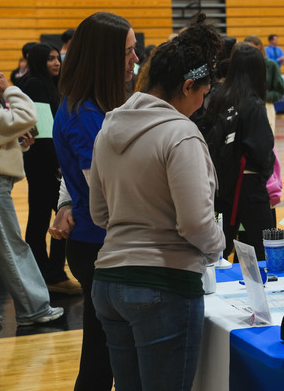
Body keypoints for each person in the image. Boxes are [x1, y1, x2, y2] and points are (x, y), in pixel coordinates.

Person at [88, 23, 225, 391]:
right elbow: (196, 223)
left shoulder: (108, 128)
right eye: (204, 93)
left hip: (108, 283)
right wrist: (217, 246)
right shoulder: (180, 133)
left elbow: (100, 214)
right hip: (162, 283)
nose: (202, 104)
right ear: (186, 87)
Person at [50, 11, 139, 391]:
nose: (136, 59)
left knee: (101, 355)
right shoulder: (85, 115)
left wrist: (65, 203)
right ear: (104, 57)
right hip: (100, 244)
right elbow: (106, 190)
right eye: (128, 52)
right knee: (103, 359)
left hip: (98, 241)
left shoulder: (89, 105)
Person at [0, 67, 65, 327]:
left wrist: (18, 144)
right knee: (13, 248)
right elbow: (28, 114)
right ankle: (33, 308)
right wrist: (10, 89)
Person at [204, 42, 275, 260]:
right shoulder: (253, 103)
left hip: (221, 183)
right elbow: (262, 150)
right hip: (249, 185)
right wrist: (265, 172)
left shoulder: (217, 98)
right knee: (263, 248)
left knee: (220, 248)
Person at [19, 44, 80, 294]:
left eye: (57, 58)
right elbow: (43, 131)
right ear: (38, 62)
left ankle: (44, 275)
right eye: (50, 59)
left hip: (47, 161)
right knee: (57, 217)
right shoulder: (35, 84)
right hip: (44, 162)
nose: (56, 63)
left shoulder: (49, 84)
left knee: (42, 217)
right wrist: (58, 163)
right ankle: (51, 274)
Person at [244, 35, 284, 133]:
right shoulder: (243, 65)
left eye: (250, 47)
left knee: (267, 141)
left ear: (258, 46)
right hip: (246, 108)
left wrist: (265, 96)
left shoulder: (271, 65)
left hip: (266, 106)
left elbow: (280, 90)